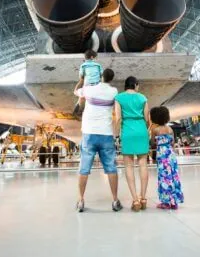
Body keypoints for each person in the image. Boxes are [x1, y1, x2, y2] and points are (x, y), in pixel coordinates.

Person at [74, 68, 122, 212]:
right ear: (111, 79)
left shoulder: (89, 90)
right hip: (106, 134)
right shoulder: (114, 92)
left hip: (89, 134)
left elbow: (76, 91)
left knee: (84, 169)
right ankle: (114, 201)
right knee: (111, 169)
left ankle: (81, 200)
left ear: (101, 76)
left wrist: (82, 79)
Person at [115, 76, 150, 212]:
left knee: (128, 166)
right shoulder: (143, 98)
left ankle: (135, 200)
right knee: (143, 164)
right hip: (141, 130)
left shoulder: (119, 98)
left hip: (127, 132)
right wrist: (145, 130)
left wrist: (116, 133)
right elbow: (147, 118)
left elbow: (118, 118)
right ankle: (144, 198)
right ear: (135, 85)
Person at [149, 106, 184, 210]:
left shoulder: (155, 130)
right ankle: (174, 202)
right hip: (171, 155)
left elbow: (152, 143)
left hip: (162, 156)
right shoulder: (170, 129)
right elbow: (172, 142)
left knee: (164, 177)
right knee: (173, 176)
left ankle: (166, 202)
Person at [73, 49, 103, 115]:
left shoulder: (83, 66)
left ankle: (80, 108)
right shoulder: (98, 65)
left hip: (87, 86)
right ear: (92, 57)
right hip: (97, 86)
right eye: (95, 57)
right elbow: (101, 75)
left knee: (81, 93)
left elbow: (81, 77)